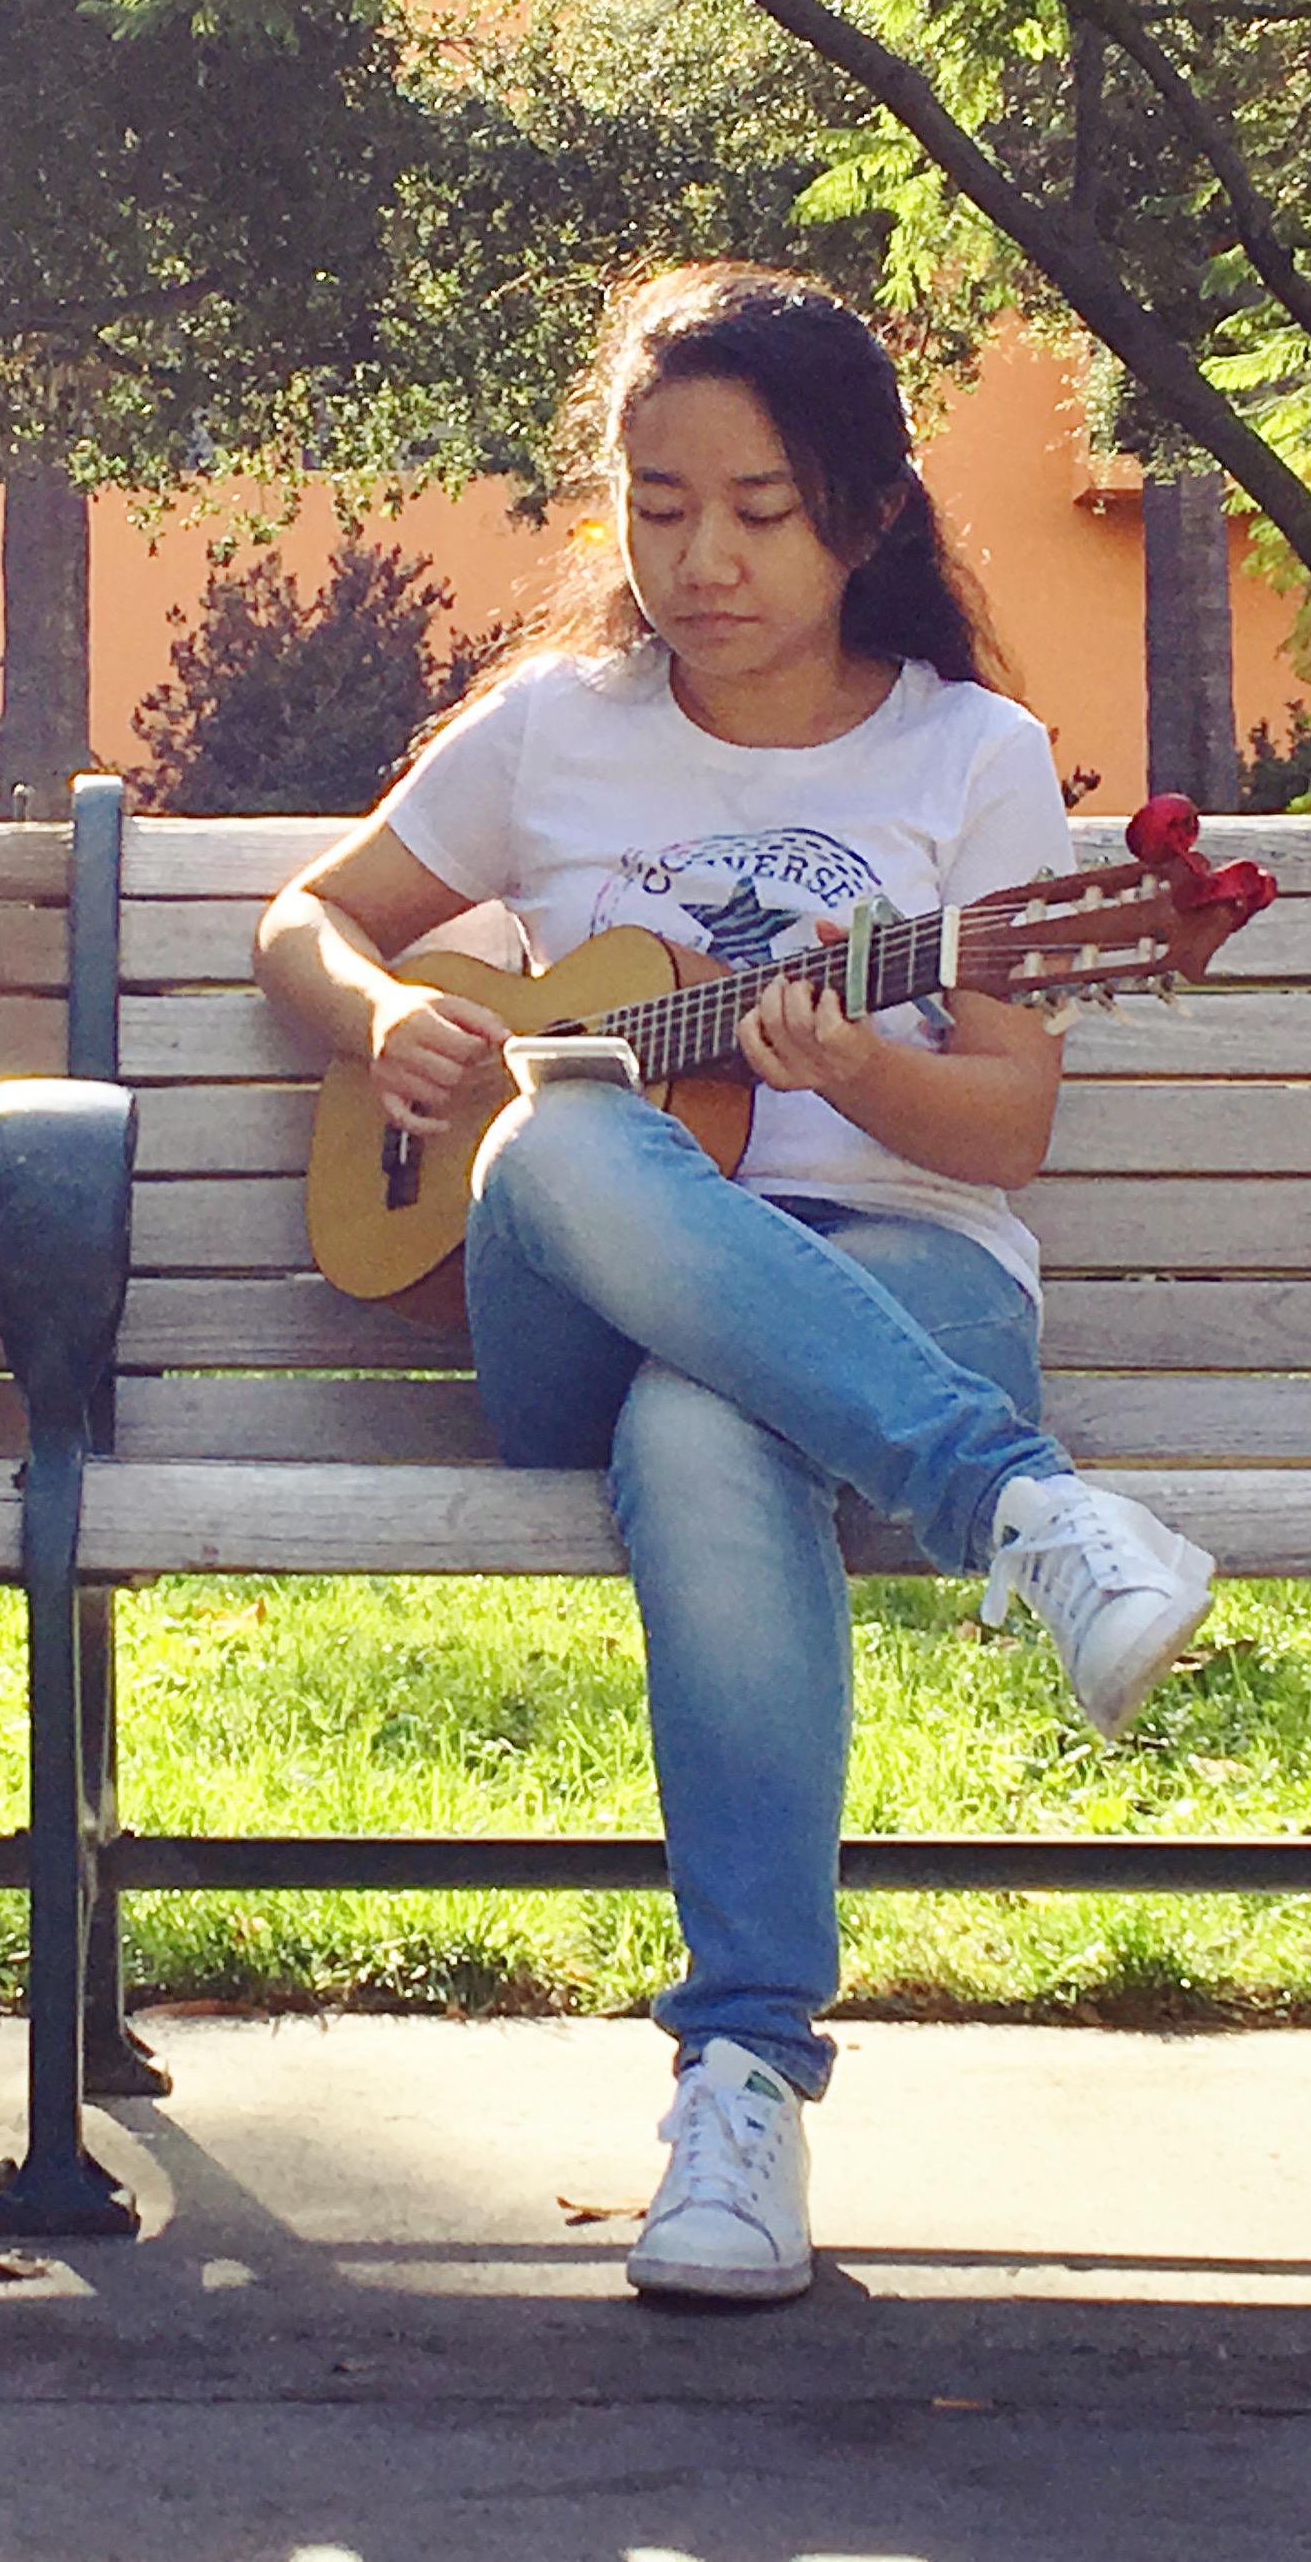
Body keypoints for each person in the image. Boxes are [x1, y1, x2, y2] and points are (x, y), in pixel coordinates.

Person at [251, 262, 1218, 2307]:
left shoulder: (972, 762)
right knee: (569, 1119)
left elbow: (1005, 1133)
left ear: (866, 515)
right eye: (657, 500)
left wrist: (861, 1062)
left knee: (714, 1422)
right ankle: (1019, 1509)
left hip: (903, 1270)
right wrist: (370, 1022)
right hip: (565, 1299)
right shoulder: (551, 739)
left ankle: (742, 2084)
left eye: (759, 510)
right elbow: (312, 919)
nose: (699, 556)